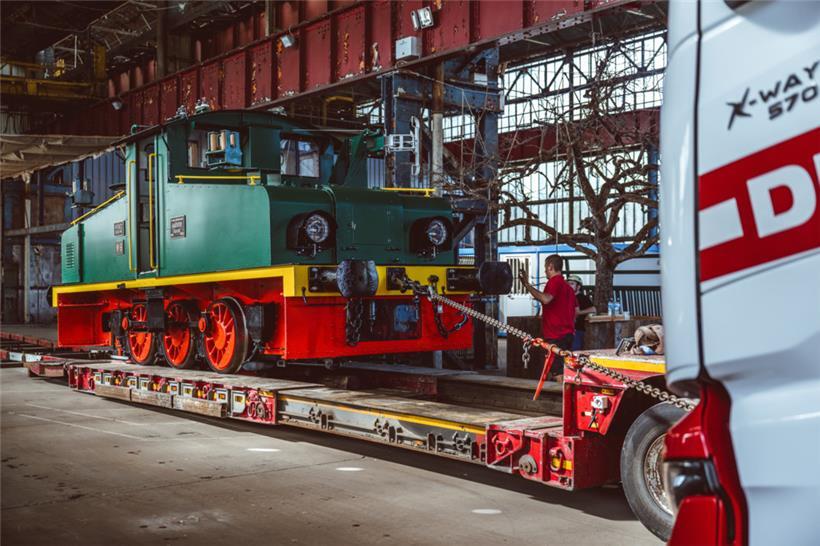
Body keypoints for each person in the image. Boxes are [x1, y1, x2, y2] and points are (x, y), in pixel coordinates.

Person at [518, 254, 576, 381]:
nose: (544, 271)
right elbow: (574, 311)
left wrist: (527, 285)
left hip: (556, 335)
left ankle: (563, 393)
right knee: (563, 367)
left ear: (550, 266)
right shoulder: (568, 288)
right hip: (568, 334)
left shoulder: (554, 282)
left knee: (557, 372)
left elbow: (546, 299)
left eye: (545, 268)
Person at [567, 275, 596, 350]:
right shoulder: (566, 297)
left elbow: (593, 309)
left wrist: (579, 312)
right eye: (568, 284)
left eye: (572, 284)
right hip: (565, 331)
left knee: (575, 352)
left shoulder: (582, 298)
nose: (569, 286)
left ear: (578, 286)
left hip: (577, 330)